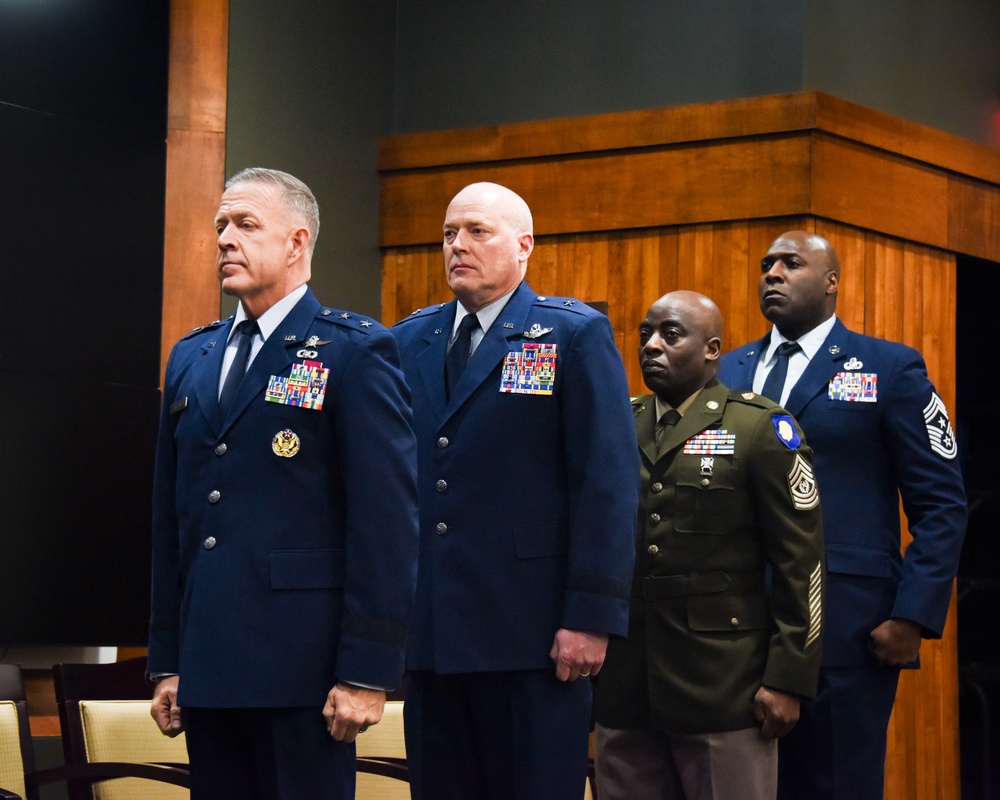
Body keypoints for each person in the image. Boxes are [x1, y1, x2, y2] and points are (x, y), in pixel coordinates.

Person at [147, 167, 419, 799]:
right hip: (209, 668)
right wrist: (167, 659)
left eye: (245, 224)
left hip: (305, 671)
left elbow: (386, 523)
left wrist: (368, 671)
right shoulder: (194, 354)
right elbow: (172, 521)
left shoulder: (353, 350)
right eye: (220, 226)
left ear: (297, 243)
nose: (225, 240)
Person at [391, 181, 638, 799]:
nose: (458, 246)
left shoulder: (571, 335)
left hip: (532, 635)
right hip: (432, 636)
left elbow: (606, 485)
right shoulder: (408, 339)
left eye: (478, 231)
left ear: (524, 245)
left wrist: (591, 618)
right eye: (449, 233)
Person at [717, 231, 967, 800]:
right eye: (766, 265)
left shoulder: (889, 367)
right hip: (732, 628)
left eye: (790, 263)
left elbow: (941, 503)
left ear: (832, 282)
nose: (772, 274)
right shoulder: (728, 371)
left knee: (834, 785)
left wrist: (913, 616)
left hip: (848, 629)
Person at [593, 290, 824, 800]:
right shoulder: (615, 423)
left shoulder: (758, 427)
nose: (651, 346)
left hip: (724, 687)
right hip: (626, 685)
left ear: (712, 349)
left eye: (671, 335)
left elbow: (800, 563)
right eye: (645, 334)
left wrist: (788, 679)